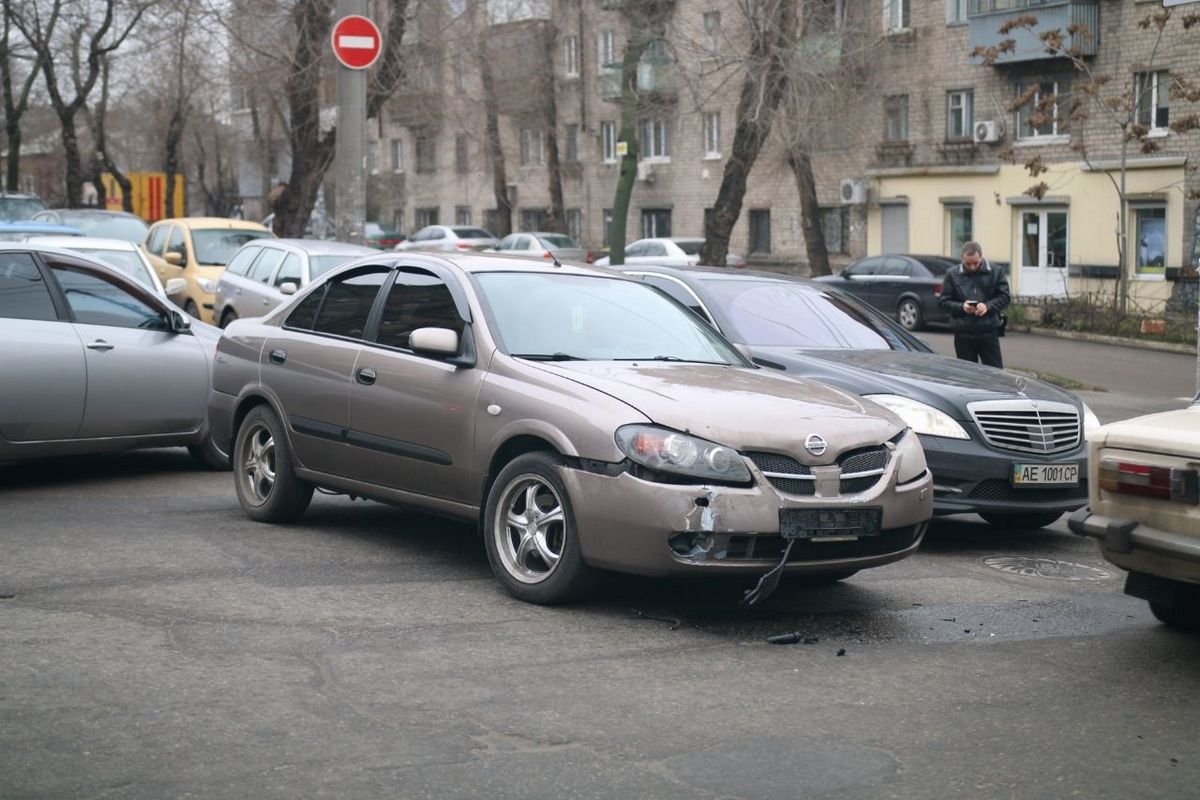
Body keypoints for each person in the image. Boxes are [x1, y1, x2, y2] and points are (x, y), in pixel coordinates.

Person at [939, 241, 1010, 368]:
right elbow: (943, 301)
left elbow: (1005, 297)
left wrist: (988, 306)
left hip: (988, 331)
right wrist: (962, 307)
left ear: (981, 257)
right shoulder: (952, 274)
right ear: (962, 259)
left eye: (976, 263)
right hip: (963, 332)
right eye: (968, 264)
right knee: (967, 374)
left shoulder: (996, 271)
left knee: (995, 373)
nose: (972, 267)